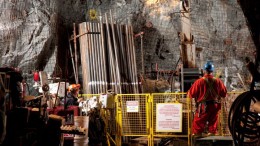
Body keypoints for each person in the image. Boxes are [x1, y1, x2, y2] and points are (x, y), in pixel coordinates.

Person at [188, 61, 227, 136]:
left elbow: (191, 94)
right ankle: (212, 139)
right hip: (215, 106)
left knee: (198, 124)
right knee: (213, 125)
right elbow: (224, 93)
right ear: (212, 71)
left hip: (203, 107)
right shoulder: (218, 81)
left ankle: (197, 139)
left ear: (204, 70)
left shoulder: (199, 82)